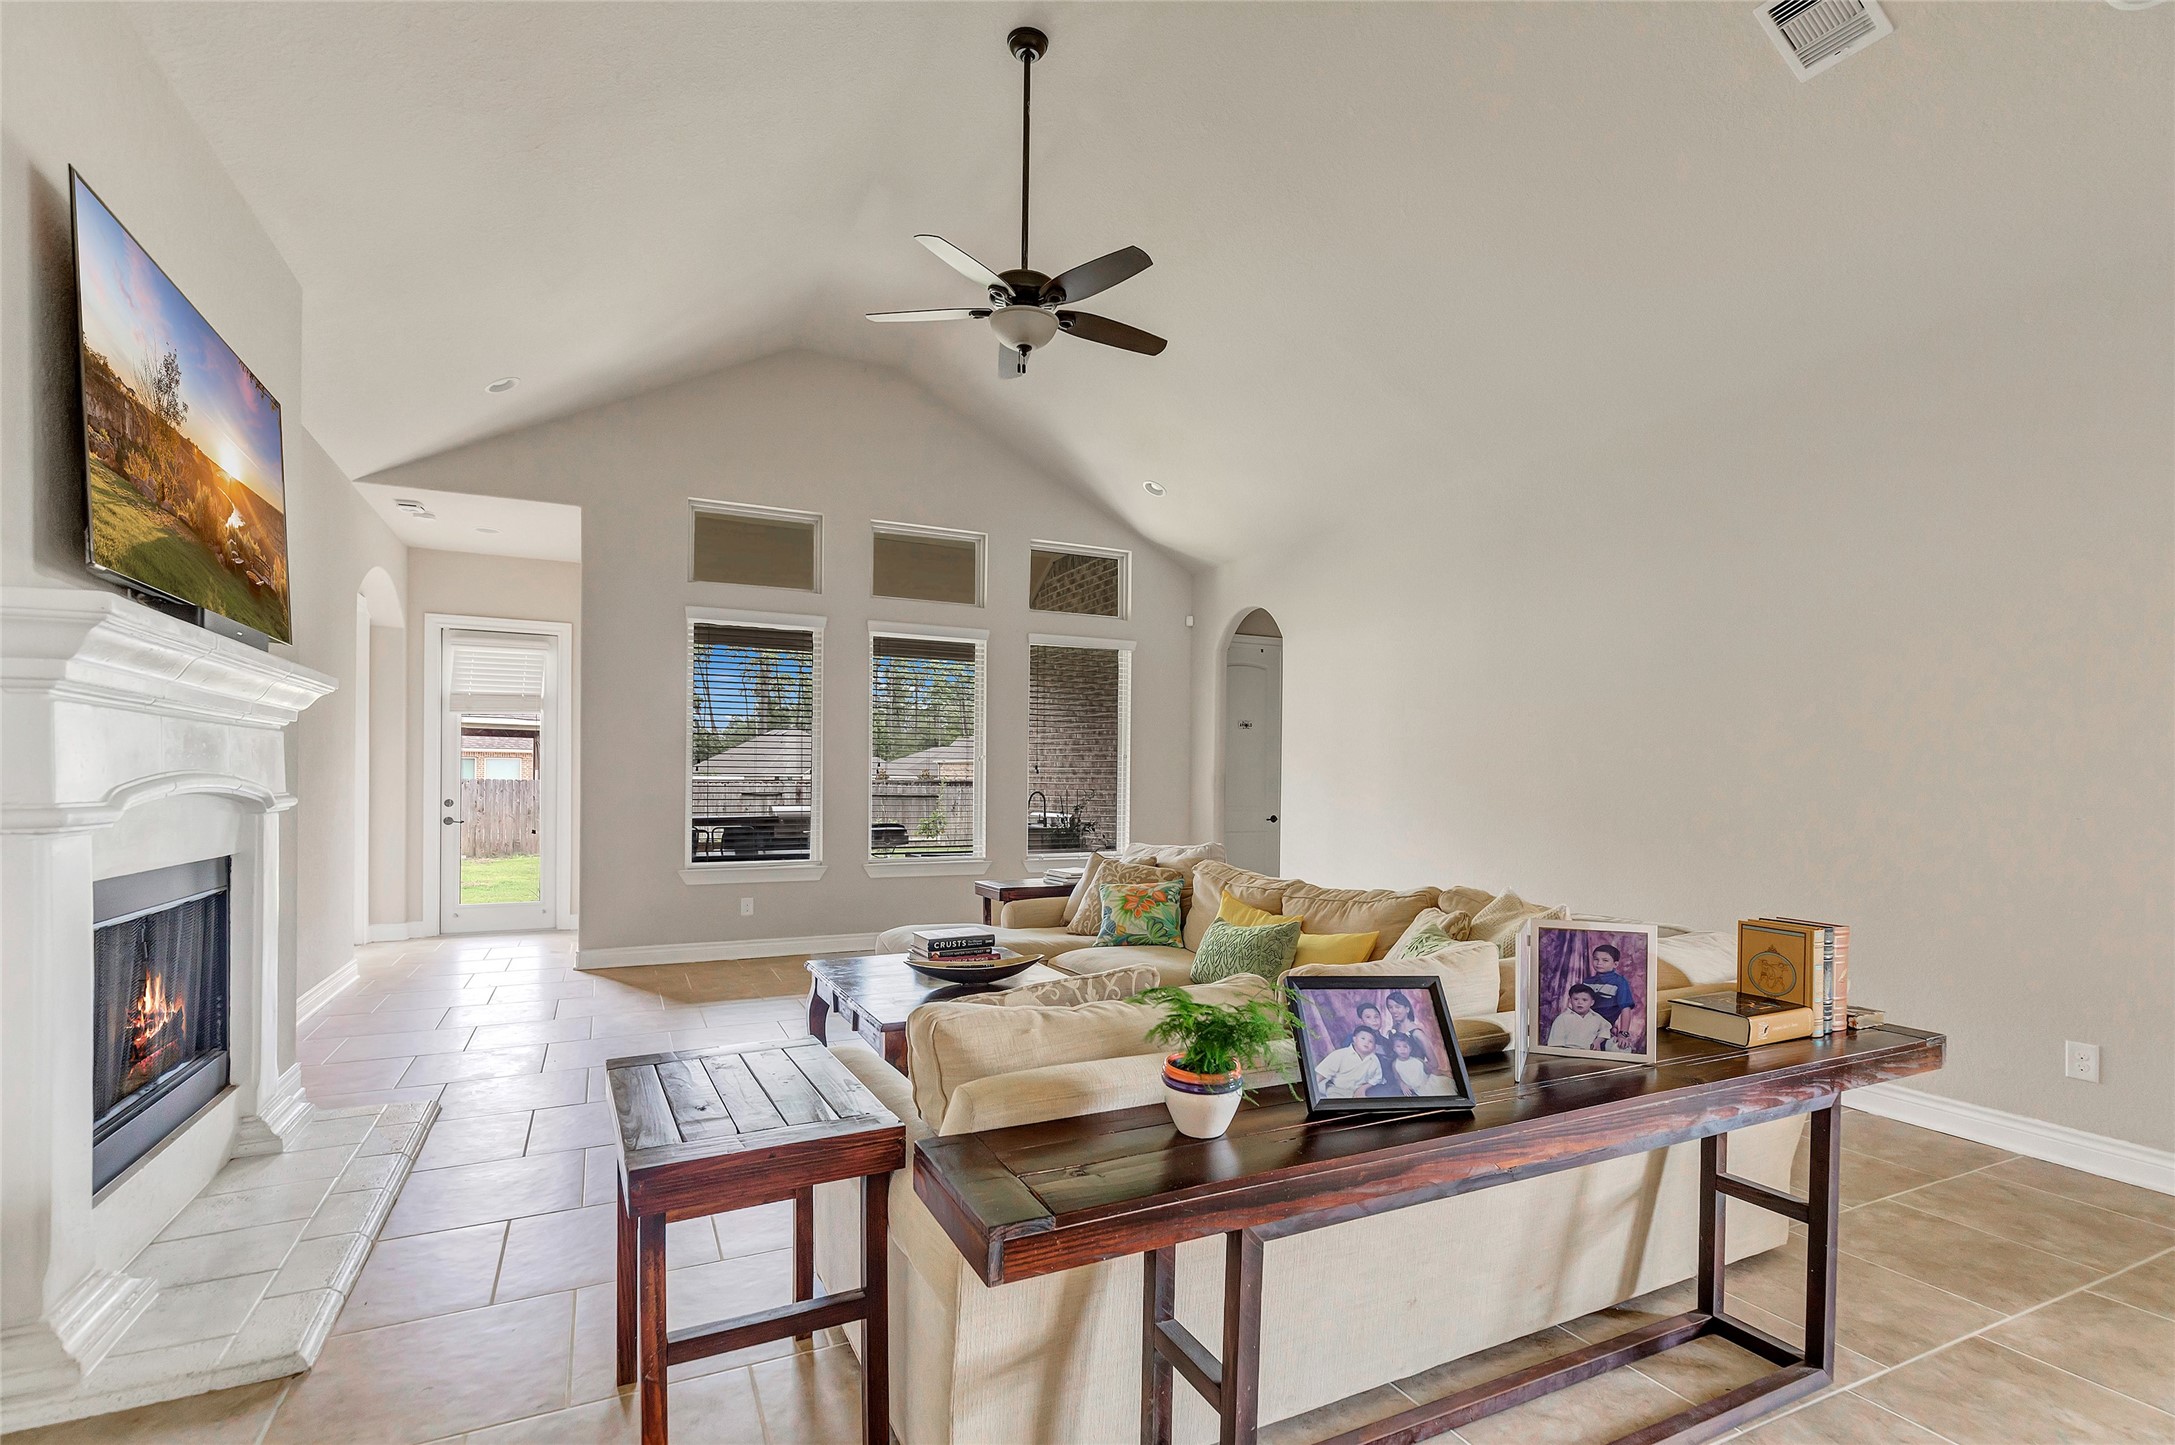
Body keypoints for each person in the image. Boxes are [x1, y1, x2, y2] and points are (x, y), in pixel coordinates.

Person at [1314, 1026, 1384, 1098]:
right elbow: (1321, 1074)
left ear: (1374, 1046)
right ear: (1354, 1039)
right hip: (1338, 1090)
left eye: (1371, 1041)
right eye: (1363, 1038)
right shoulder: (1340, 1054)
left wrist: (1363, 1088)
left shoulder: (1373, 1059)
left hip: (1359, 1091)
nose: (1366, 1042)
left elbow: (1377, 1078)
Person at [1580, 944, 1640, 1027]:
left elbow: (1625, 1008)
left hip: (1604, 1025)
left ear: (1615, 964)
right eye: (1596, 959)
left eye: (1605, 960)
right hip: (1583, 1022)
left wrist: (1623, 1033)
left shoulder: (1620, 982)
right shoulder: (1587, 981)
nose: (1599, 963)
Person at [1545, 984, 1613, 1051]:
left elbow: (1606, 1028)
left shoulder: (1596, 1017)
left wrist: (1598, 1041)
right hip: (1568, 1052)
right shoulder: (1562, 1019)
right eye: (1576, 999)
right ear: (1570, 1000)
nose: (1580, 1002)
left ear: (1592, 1002)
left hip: (1589, 1053)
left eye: (1584, 1000)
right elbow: (1556, 1044)